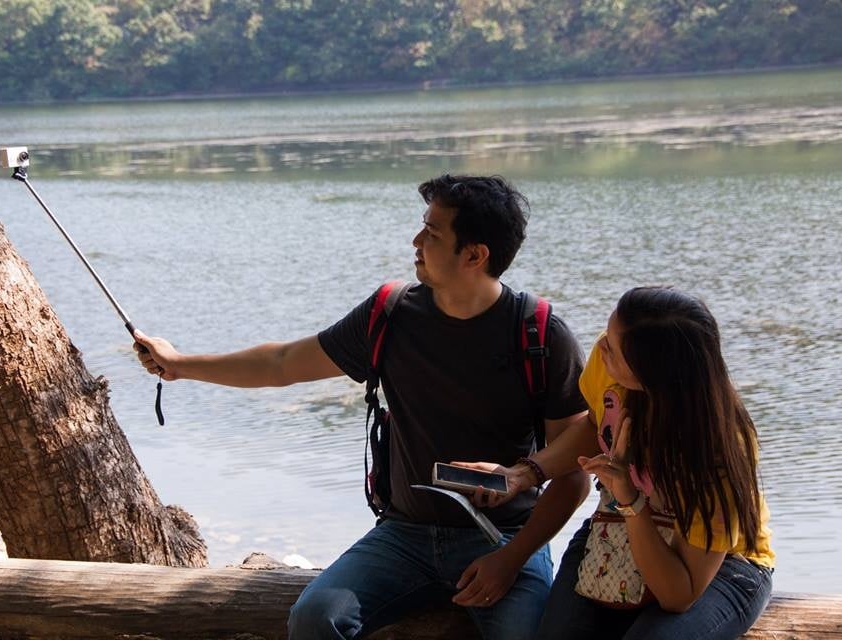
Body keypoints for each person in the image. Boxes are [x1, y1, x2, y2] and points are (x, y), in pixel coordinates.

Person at [133, 174, 591, 640]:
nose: (416, 241)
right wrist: (180, 364)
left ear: (474, 255)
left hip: (505, 537)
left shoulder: (538, 333)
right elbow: (282, 362)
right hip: (404, 536)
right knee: (314, 619)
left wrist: (510, 560)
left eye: (432, 233)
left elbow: (575, 470)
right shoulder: (390, 314)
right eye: (422, 226)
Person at [458, 286, 775, 639]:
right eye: (608, 334)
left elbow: (678, 596)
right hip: (615, 528)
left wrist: (631, 499)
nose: (601, 346)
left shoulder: (720, 452)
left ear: (652, 374)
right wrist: (523, 474)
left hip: (722, 566)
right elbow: (596, 425)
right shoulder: (611, 366)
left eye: (613, 346)